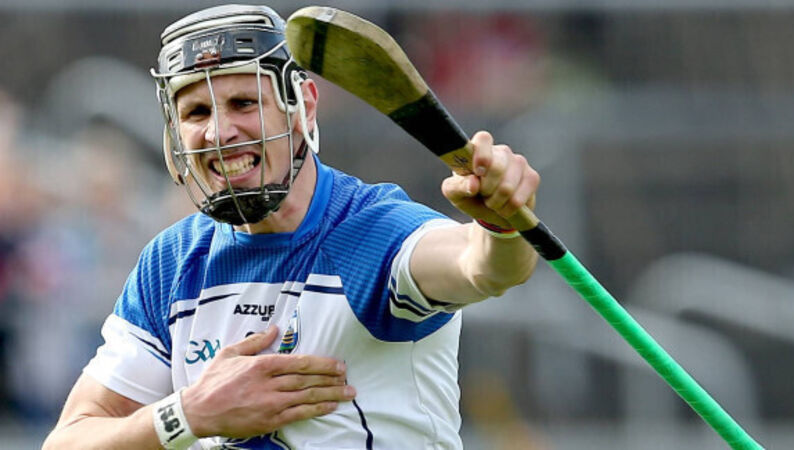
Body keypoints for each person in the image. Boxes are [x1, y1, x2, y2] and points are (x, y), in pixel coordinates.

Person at [43, 5, 540, 450]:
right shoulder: (171, 263)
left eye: (243, 103)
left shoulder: (373, 232)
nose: (219, 132)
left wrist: (499, 225)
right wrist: (189, 413)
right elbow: (70, 441)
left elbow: (483, 267)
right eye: (197, 111)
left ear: (303, 106)